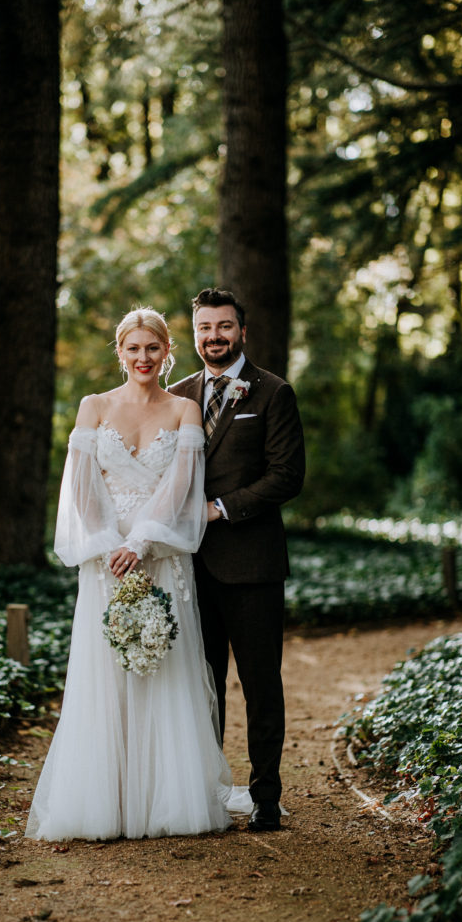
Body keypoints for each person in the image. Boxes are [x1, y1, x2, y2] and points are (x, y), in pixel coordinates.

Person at [26, 307, 237, 841]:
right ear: (119, 352)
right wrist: (110, 548)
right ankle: (107, 800)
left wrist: (141, 545)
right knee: (107, 673)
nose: (143, 358)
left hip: (162, 558)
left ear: (168, 353)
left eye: (153, 348)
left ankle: (165, 798)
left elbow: (181, 491)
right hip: (104, 565)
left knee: (164, 670)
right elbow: (81, 488)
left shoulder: (185, 411)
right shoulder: (93, 407)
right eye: (133, 348)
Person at [169, 288, 305, 832]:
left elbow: (286, 476)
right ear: (195, 334)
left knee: (260, 685)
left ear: (242, 332)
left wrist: (220, 509)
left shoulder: (273, 393)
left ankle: (266, 798)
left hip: (252, 568)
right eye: (205, 329)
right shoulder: (176, 396)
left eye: (224, 327)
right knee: (201, 687)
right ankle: (206, 794)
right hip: (188, 569)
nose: (215, 337)